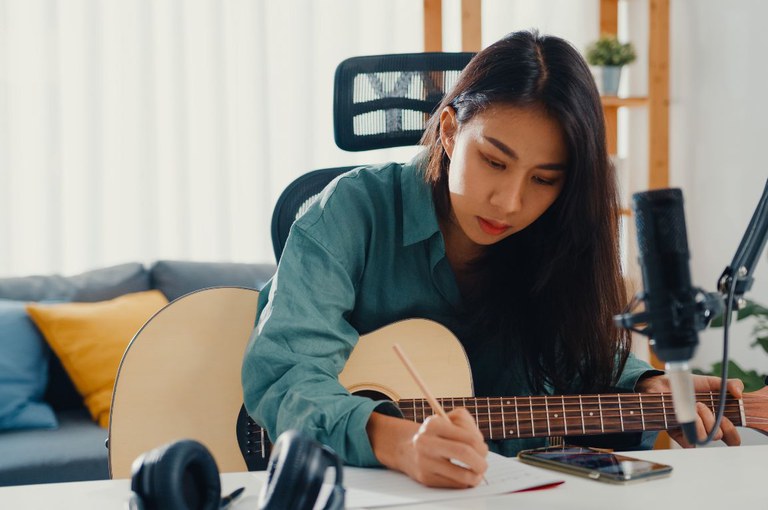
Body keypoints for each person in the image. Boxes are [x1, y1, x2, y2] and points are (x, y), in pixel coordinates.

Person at [242, 30, 743, 489]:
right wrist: (395, 442)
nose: (509, 201)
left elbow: (574, 352)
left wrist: (644, 384)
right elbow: (285, 373)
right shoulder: (350, 210)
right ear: (449, 130)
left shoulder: (556, 240)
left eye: (544, 179)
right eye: (494, 161)